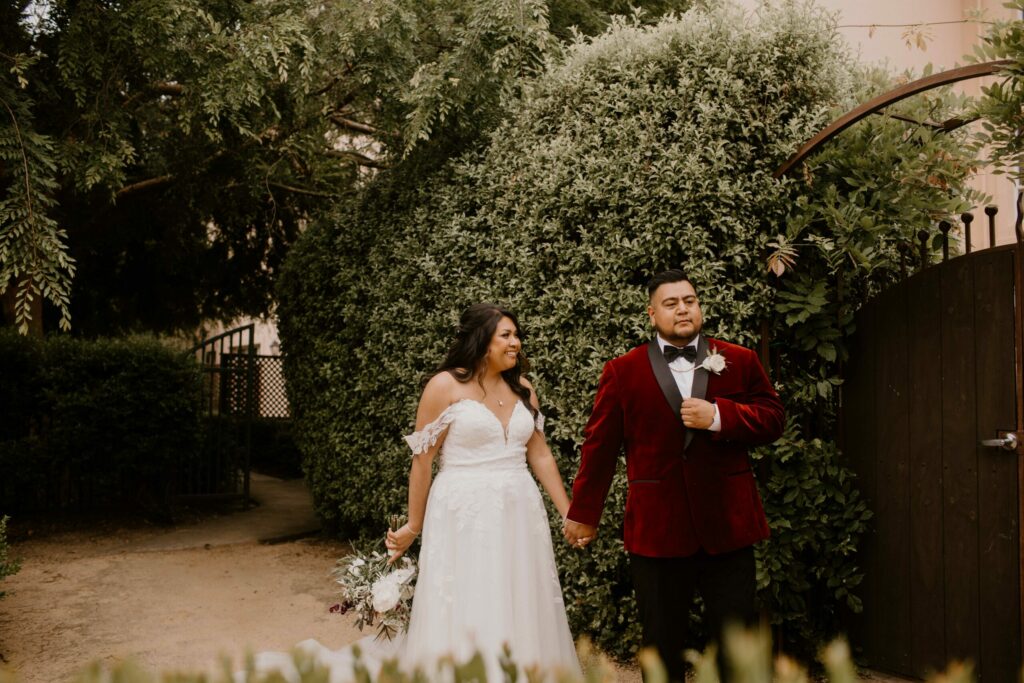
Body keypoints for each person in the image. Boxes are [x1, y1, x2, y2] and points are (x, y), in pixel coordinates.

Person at [248, 303, 581, 683]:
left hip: (520, 507)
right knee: (472, 595)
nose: (516, 342)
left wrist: (568, 512)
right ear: (481, 340)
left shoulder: (524, 390)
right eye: (506, 335)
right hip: (463, 511)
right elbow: (422, 462)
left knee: (522, 593)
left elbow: (539, 453)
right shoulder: (444, 386)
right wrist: (413, 525)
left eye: (516, 334)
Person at [563, 269, 784, 683]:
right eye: (671, 303)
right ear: (652, 313)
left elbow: (773, 419)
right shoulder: (622, 371)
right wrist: (584, 512)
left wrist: (719, 415)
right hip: (657, 530)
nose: (683, 309)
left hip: (729, 525)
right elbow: (599, 447)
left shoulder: (739, 359)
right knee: (661, 646)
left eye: (690, 300)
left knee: (737, 643)